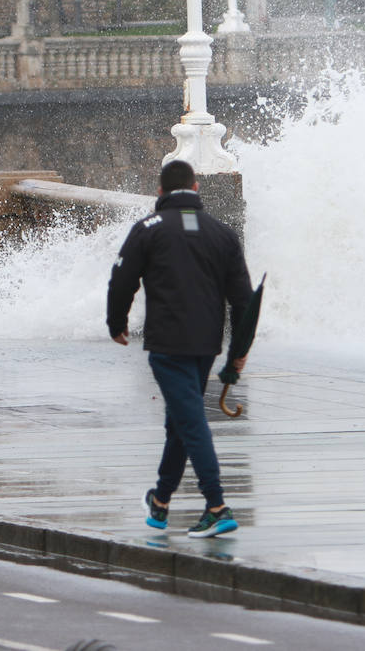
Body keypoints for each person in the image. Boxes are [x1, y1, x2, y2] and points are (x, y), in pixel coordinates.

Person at [106, 160, 252, 538]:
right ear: (196, 187)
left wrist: (116, 322)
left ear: (160, 192)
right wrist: (238, 350)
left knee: (189, 420)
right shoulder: (222, 233)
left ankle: (217, 506)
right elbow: (243, 300)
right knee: (180, 420)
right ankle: (161, 501)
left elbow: (122, 279)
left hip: (168, 343)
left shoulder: (148, 229)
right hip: (206, 343)